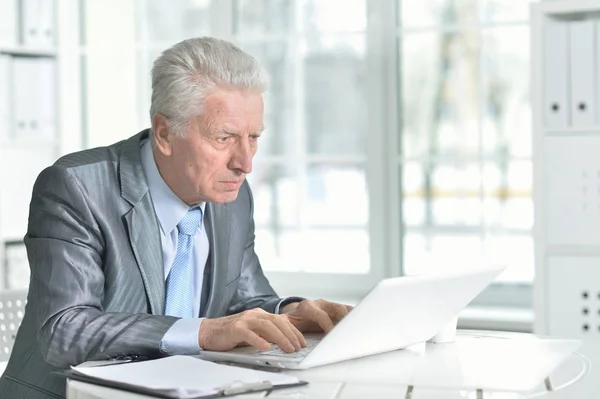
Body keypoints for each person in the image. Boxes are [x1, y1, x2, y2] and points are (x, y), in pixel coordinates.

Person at [0, 37, 351, 399]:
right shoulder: (76, 187)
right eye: (225, 137)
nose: (245, 163)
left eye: (254, 137)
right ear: (165, 133)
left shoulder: (230, 193)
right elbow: (64, 330)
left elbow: (243, 300)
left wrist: (290, 313)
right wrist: (201, 332)